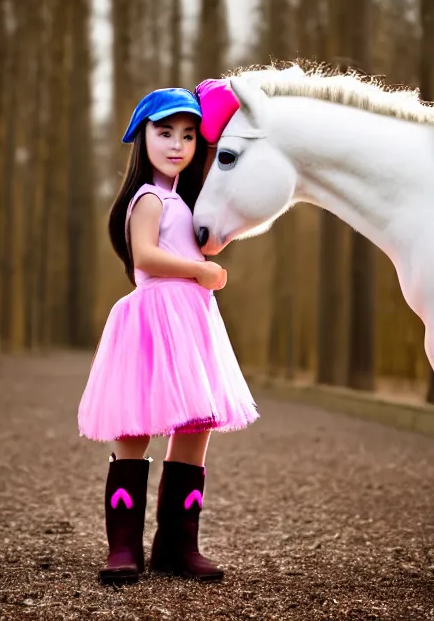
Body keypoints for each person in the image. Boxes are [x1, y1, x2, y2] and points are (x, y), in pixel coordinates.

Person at [77, 86, 258, 585]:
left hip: (192, 321)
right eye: (164, 133)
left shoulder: (187, 200)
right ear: (143, 138)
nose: (177, 144)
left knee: (195, 424)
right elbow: (144, 258)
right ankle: (123, 548)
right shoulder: (150, 198)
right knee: (136, 424)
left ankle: (178, 544)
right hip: (155, 316)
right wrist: (200, 272)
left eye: (188, 136)